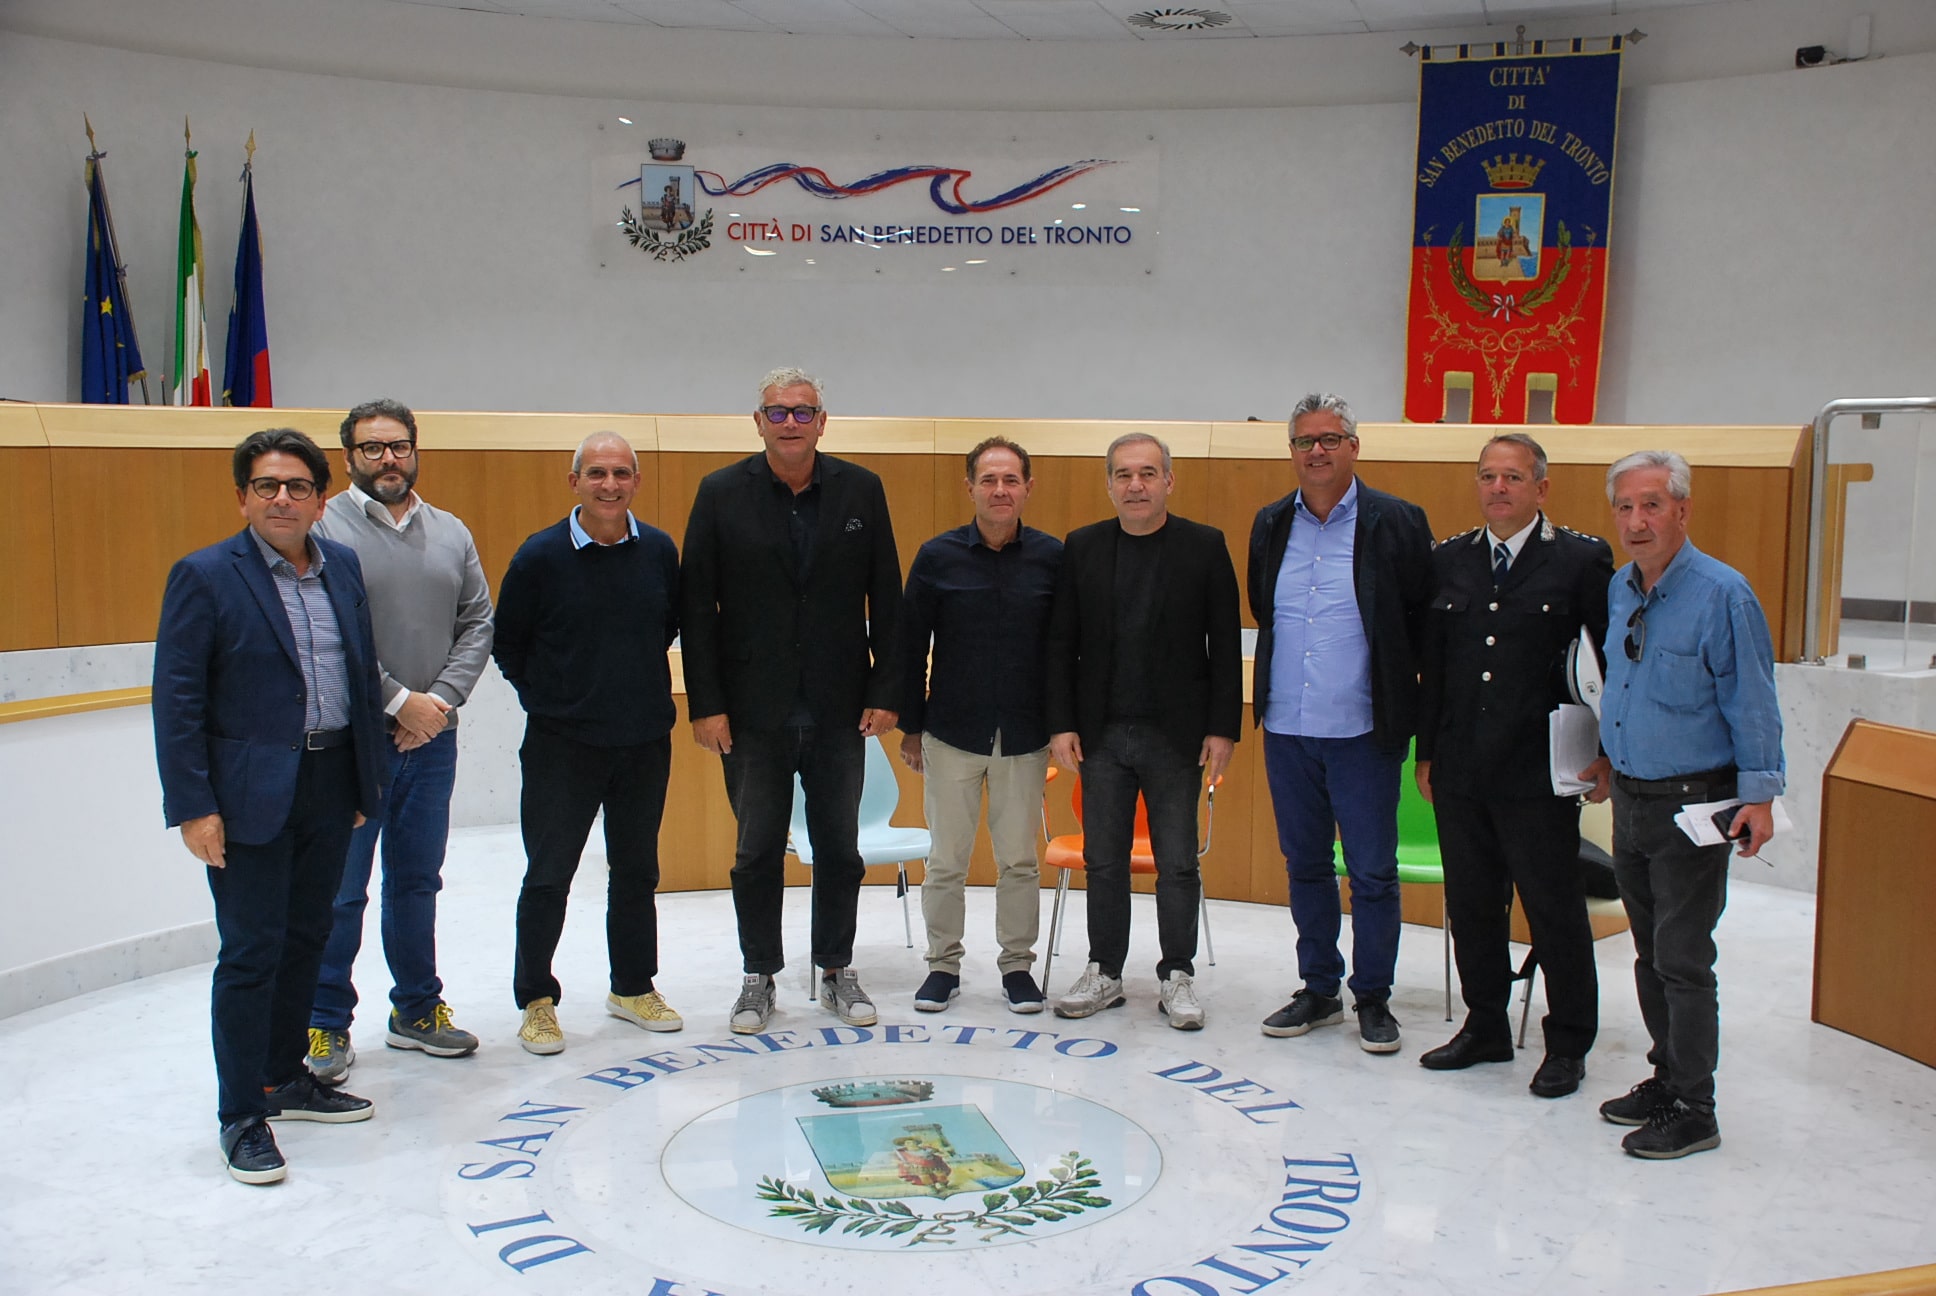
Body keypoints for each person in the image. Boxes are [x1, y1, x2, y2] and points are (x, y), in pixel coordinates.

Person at [153, 428, 388, 1185]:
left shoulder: (342, 566)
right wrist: (194, 805)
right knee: (251, 952)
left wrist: (363, 784)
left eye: (297, 487)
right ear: (243, 498)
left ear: (321, 500)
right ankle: (241, 1115)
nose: (282, 498)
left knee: (309, 936)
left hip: (330, 782)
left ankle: (283, 1077)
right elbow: (178, 701)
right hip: (248, 795)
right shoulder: (204, 576)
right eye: (266, 486)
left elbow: (359, 676)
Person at [681, 367, 903, 1034]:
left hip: (840, 708)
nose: (790, 423)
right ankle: (759, 977)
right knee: (755, 853)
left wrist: (887, 689)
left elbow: (887, 597)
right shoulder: (720, 493)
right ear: (758, 422)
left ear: (822, 423)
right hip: (752, 712)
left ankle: (836, 970)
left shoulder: (862, 489)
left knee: (840, 850)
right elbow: (697, 607)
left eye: (803, 412)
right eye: (777, 412)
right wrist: (706, 704)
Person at [1596, 449, 1784, 1159]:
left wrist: (1759, 796)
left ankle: (1695, 1108)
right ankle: (1666, 1076)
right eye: (1625, 507)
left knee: (1683, 957)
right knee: (1650, 953)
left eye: (1652, 505)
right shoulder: (1622, 588)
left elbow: (1753, 700)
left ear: (1682, 509)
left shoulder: (1723, 595)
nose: (1637, 521)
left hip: (1694, 804)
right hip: (1632, 797)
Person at [1413, 433, 1613, 1098]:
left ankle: (1569, 1042)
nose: (1498, 488)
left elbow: (1605, 667)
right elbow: (1435, 668)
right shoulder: (1449, 559)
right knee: (1472, 905)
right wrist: (1427, 752)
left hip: (1539, 770)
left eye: (1513, 477)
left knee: (1553, 909)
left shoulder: (1581, 560)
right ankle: (1486, 1026)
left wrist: (1607, 754)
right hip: (1462, 766)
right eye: (1488, 476)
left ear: (1541, 488)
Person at [306, 399, 494, 1084]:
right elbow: (330, 632)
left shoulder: (450, 531)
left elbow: (478, 622)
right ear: (349, 456)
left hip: (432, 740)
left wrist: (437, 703)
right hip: (353, 741)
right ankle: (325, 1021)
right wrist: (399, 702)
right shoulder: (323, 528)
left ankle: (416, 1009)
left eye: (399, 446)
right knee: (341, 890)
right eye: (372, 447)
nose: (388, 458)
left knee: (416, 880)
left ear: (415, 450)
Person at [1250, 393, 1433, 1053]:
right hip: (1288, 727)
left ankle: (1373, 997)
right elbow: (1264, 609)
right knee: (1304, 865)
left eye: (1330, 439)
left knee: (1372, 872)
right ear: (1291, 452)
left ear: (1354, 447)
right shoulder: (1271, 522)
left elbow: (1421, 624)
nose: (1318, 451)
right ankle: (1319, 988)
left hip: (1362, 730)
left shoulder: (1398, 521)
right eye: (1305, 441)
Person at [494, 431, 684, 1054]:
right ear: (574, 481)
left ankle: (632, 987)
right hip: (562, 746)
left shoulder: (659, 551)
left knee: (636, 871)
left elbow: (667, 626)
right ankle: (536, 1001)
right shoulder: (539, 556)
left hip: (643, 742)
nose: (610, 485)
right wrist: (554, 701)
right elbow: (508, 644)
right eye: (597, 473)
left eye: (621, 473)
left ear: (637, 482)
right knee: (549, 875)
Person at [1044, 432, 1241, 1030]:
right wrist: (1061, 723)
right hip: (1101, 734)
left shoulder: (1204, 546)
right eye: (1124, 475)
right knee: (1103, 860)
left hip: (1176, 737)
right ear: (1109, 484)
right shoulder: (1082, 547)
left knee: (1177, 862)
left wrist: (1223, 728)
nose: (1136, 485)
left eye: (1148, 473)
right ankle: (1104, 970)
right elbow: (1061, 643)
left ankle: (1176, 974)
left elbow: (1224, 645)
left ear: (1168, 482)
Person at [899, 437, 1062, 1014]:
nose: (999, 490)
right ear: (969, 487)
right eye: (988, 480)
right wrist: (911, 728)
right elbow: (909, 646)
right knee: (946, 860)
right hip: (951, 734)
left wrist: (1062, 726)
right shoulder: (937, 557)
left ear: (1027, 488)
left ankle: (1017, 967)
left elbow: (1065, 651)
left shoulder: (1052, 558)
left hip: (1025, 736)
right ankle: (942, 966)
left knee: (1019, 860)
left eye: (1010, 480)